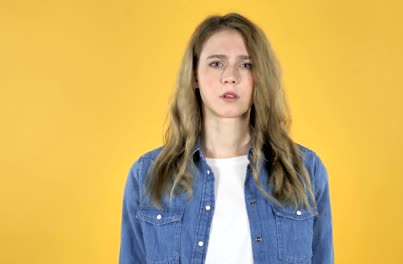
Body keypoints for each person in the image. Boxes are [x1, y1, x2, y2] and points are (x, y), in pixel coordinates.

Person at [119, 13, 333, 264]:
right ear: (195, 76)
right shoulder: (148, 174)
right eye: (216, 63)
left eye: (246, 65)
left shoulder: (305, 170)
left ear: (260, 77)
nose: (230, 77)